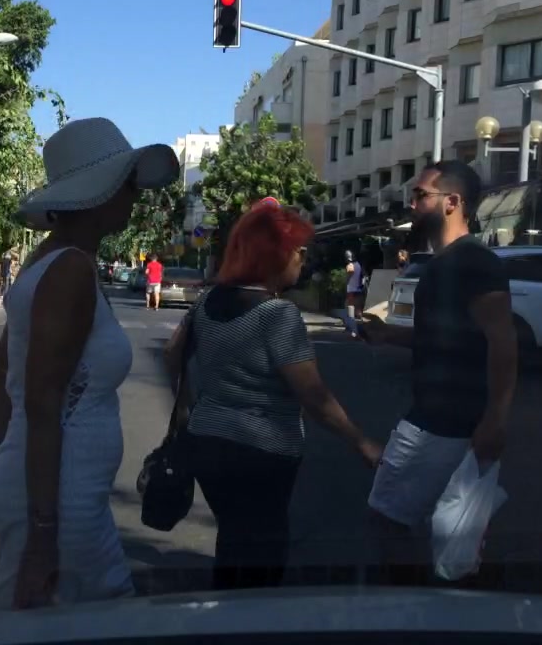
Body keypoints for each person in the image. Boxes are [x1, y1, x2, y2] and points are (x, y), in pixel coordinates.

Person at [0, 117, 180, 611]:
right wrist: (43, 533)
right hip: (62, 498)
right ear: (101, 192)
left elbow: (2, 375)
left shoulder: (48, 260)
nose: (135, 196)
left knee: (45, 617)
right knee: (78, 615)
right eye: (128, 184)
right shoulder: (70, 270)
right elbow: (42, 402)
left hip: (52, 491)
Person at [164, 204, 382, 591]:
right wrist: (361, 442)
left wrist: (185, 407)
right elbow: (313, 396)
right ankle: (251, 617)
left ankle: (226, 609)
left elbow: (172, 354)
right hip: (260, 452)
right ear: (275, 255)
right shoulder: (277, 315)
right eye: (299, 251)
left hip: (207, 441)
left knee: (233, 539)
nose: (303, 259)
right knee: (263, 556)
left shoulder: (208, 300)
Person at [362, 160, 518, 576]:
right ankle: (434, 598)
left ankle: (411, 604)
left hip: (443, 421)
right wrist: (387, 334)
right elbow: (444, 336)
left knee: (387, 517)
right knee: (440, 529)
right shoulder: (442, 263)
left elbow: (503, 343)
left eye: (420, 195)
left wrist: (496, 420)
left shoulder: (475, 262)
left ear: (452, 202)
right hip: (439, 417)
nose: (412, 204)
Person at [344, 250, 365, 339]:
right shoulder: (359, 265)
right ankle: (362, 326)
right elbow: (363, 277)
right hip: (358, 290)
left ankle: (353, 329)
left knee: (349, 308)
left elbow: (350, 272)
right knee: (358, 310)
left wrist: (347, 280)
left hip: (351, 290)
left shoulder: (350, 265)